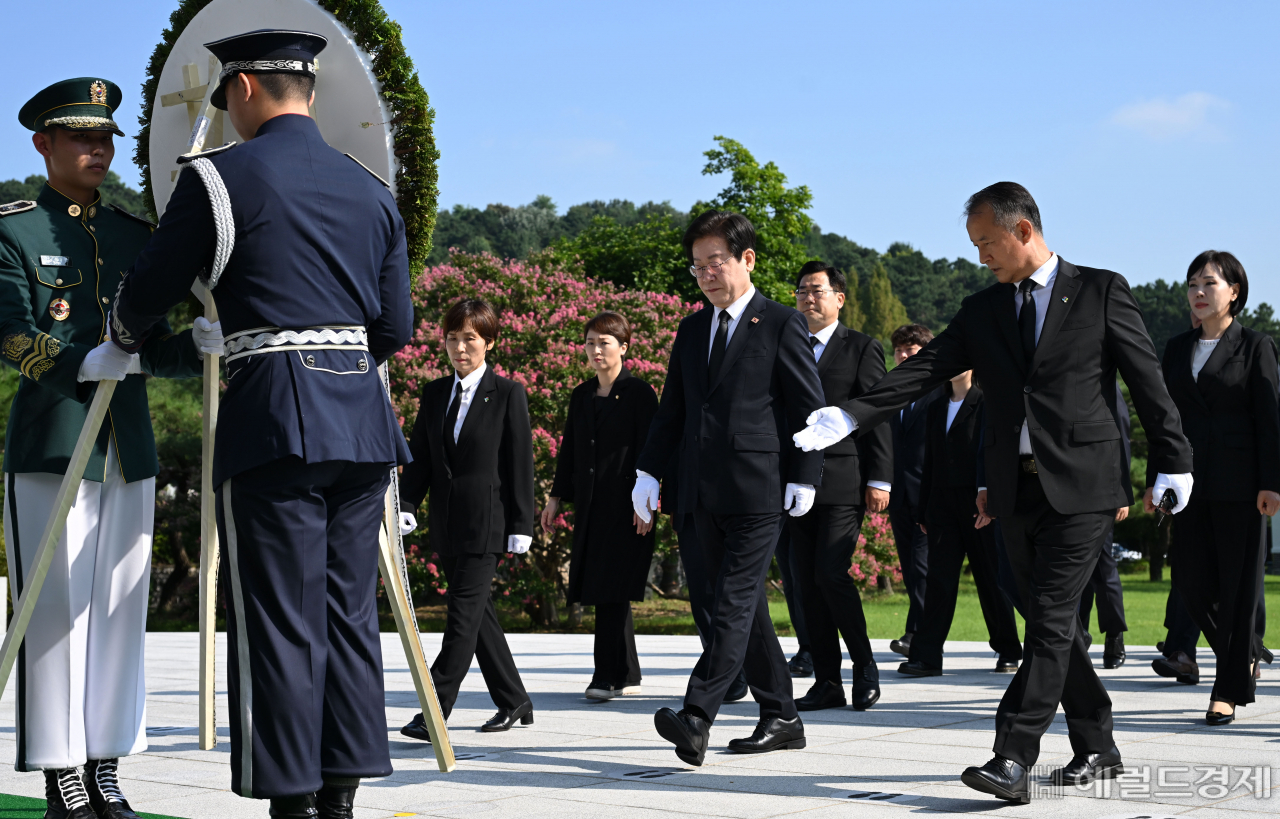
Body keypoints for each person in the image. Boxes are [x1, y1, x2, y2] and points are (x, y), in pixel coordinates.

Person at [795, 182, 1194, 803]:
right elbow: (925, 367)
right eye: (974, 243)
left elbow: (1146, 381)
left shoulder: (1099, 289)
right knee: (1046, 621)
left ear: (1024, 230)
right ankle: (1099, 745)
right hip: (1014, 489)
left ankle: (1012, 757)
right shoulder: (983, 310)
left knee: (1053, 616)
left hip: (1086, 485)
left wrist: (1174, 458)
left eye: (987, 241)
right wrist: (852, 415)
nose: (980, 254)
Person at [110, 30, 412, 818]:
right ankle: (340, 792)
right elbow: (396, 326)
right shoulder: (370, 185)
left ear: (242, 88)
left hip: (275, 415)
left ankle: (292, 799)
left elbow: (150, 288)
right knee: (347, 613)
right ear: (305, 90)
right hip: (363, 423)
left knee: (279, 616)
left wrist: (124, 334)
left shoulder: (218, 177)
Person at [0, 77, 213, 819]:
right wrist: (75, 362)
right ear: (44, 144)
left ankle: (106, 760)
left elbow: (150, 344)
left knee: (122, 611)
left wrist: (199, 345)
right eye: (83, 138)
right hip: (55, 444)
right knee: (55, 609)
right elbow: (9, 330)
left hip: (129, 447)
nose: (98, 149)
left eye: (105, 139)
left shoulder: (132, 235)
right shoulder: (12, 230)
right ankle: (60, 770)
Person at [632, 210, 825, 766]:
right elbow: (674, 410)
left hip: (759, 490)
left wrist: (806, 475)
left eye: (715, 262)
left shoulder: (783, 322)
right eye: (697, 267)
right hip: (697, 491)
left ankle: (697, 715)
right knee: (724, 607)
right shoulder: (693, 328)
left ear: (747, 259)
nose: (707, 275)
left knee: (734, 600)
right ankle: (782, 715)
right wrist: (650, 471)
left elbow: (807, 408)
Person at [1145, 250, 1280, 724]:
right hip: (1186, 485)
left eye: (1209, 284)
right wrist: (1154, 481)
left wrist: (1272, 484)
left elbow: (1270, 419)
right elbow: (1163, 420)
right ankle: (1243, 654)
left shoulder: (1255, 345)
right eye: (1192, 285)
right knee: (1191, 580)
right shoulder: (1178, 347)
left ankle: (1226, 690)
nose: (1198, 293)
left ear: (1234, 292)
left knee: (1239, 588)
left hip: (1242, 487)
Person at [398, 299, 535, 740]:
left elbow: (520, 465)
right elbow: (419, 457)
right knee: (479, 618)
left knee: (460, 619)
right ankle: (515, 700)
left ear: (489, 342)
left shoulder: (508, 393)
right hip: (447, 522)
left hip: (488, 523)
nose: (459, 348)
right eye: (452, 338)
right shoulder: (436, 392)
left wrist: (522, 524)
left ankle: (434, 711)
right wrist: (407, 503)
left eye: (470, 339)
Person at [787, 261, 892, 712]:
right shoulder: (785, 344)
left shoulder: (861, 348)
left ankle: (864, 666)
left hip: (842, 482)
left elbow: (876, 413)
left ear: (839, 298)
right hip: (792, 483)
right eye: (801, 292)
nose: (808, 299)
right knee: (805, 584)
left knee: (831, 572)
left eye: (817, 291)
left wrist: (880, 477)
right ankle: (827, 680)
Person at [543, 311, 658, 700]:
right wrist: (556, 497)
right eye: (590, 342)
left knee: (612, 586)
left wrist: (648, 505)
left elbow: (652, 452)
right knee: (606, 586)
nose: (595, 350)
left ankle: (606, 676)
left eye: (604, 342)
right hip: (591, 506)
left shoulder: (641, 394)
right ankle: (626, 670)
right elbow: (569, 451)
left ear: (624, 347)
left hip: (628, 505)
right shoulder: (581, 394)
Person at [897, 370, 1022, 677]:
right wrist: (924, 509)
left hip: (979, 505)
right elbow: (930, 461)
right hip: (941, 506)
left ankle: (1008, 649)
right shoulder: (936, 406)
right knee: (938, 580)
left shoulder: (986, 402)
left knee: (990, 579)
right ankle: (926, 657)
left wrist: (993, 502)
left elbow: (996, 454)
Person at [885, 324, 944, 657]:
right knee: (910, 567)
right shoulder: (892, 392)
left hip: (929, 495)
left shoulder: (941, 391)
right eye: (899, 350)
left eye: (911, 349)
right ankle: (917, 631)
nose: (904, 355)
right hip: (898, 495)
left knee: (922, 566)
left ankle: (918, 634)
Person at [1077, 383, 1133, 669]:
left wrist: (1121, 492)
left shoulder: (1104, 384)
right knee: (1072, 571)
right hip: (1063, 490)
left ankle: (1114, 637)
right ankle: (1078, 637)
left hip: (1100, 492)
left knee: (1103, 567)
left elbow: (1122, 437)